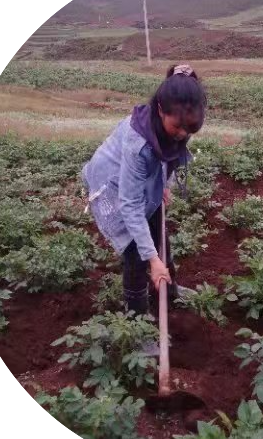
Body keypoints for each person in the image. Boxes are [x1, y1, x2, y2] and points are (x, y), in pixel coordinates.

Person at [82, 63, 207, 316]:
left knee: (158, 230)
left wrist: (164, 185)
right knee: (135, 250)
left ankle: (171, 290)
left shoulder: (183, 116)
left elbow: (171, 154)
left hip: (140, 174)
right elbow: (130, 204)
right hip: (112, 180)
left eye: (190, 128)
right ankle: (136, 316)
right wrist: (152, 259)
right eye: (177, 127)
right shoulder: (137, 143)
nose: (183, 133)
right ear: (160, 110)